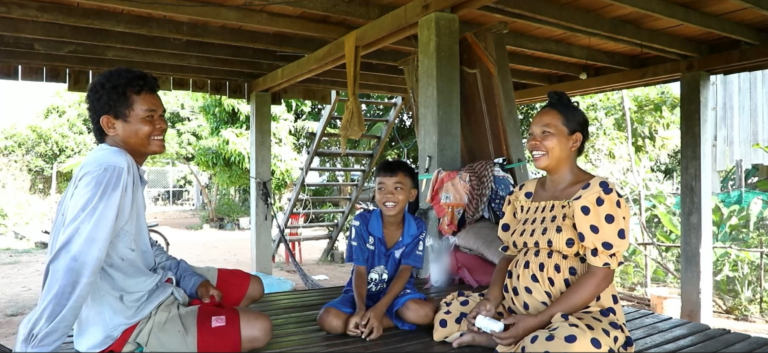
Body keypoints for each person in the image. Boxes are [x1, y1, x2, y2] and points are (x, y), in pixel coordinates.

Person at [14, 67, 272, 353]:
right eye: (149, 117)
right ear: (111, 125)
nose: (161, 124)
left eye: (161, 115)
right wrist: (39, 346)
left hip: (148, 287)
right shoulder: (111, 169)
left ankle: (188, 307)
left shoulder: (121, 165)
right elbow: (74, 262)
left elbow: (142, 247)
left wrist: (190, 279)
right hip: (125, 321)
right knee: (258, 328)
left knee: (253, 287)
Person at [432, 91, 634, 352]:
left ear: (574, 141)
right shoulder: (522, 195)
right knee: (450, 316)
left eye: (545, 133)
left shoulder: (597, 195)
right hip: (513, 306)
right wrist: (492, 300)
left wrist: (538, 321)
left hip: (575, 317)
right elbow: (508, 255)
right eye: (530, 135)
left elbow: (601, 272)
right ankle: (508, 335)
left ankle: (510, 338)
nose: (533, 142)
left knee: (568, 345)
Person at [317, 159, 436, 340]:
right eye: (381, 188)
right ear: (375, 192)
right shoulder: (361, 222)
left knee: (424, 314)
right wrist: (360, 309)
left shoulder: (417, 226)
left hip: (398, 294)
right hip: (363, 293)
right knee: (328, 320)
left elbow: (405, 271)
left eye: (397, 188)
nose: (388, 195)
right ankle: (373, 319)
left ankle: (375, 321)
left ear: (411, 194)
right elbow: (360, 270)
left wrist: (380, 310)